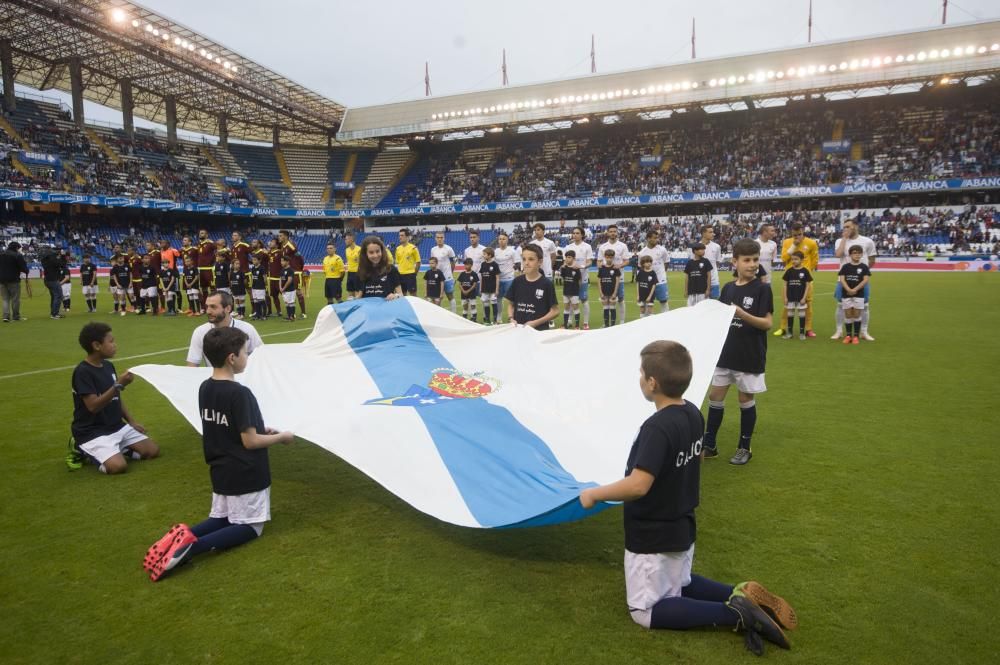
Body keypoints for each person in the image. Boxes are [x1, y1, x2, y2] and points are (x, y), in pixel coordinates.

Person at [578, 341, 795, 653]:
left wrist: (594, 495)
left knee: (645, 611)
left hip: (652, 535)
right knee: (680, 580)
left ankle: (734, 612)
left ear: (652, 383)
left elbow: (639, 485)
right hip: (682, 525)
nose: (640, 378)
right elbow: (688, 462)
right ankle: (738, 592)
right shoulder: (693, 413)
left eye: (642, 373)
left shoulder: (657, 428)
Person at [143, 326, 294, 582]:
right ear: (232, 358)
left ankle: (181, 537)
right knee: (250, 527)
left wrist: (260, 428)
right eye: (245, 352)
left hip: (220, 467)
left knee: (223, 516)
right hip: (246, 470)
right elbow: (251, 442)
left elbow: (228, 425)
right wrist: (281, 438)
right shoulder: (240, 393)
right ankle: (192, 547)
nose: (248, 357)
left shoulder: (205, 387)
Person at [702, 239, 773, 466]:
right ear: (735, 262)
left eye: (755, 259)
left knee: (745, 398)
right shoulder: (728, 289)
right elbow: (720, 321)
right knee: (715, 396)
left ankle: (744, 446)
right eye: (747, 260)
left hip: (749, 354)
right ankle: (710, 445)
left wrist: (741, 314)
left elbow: (767, 324)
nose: (752, 264)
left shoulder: (762, 288)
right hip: (726, 354)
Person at [70, 322, 160, 474]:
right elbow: (93, 406)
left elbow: (116, 398)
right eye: (111, 341)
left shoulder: (108, 366)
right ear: (97, 345)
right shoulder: (82, 372)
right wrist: (118, 385)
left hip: (116, 426)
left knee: (152, 451)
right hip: (92, 431)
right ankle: (81, 448)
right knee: (118, 467)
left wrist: (131, 421)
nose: (115, 345)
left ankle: (119, 448)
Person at [186, 290, 264, 367]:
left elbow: (262, 358)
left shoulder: (247, 329)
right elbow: (192, 366)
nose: (208, 311)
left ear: (228, 309)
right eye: (207, 306)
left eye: (213, 307)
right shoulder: (200, 332)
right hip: (215, 378)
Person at [833, 219, 877, 341]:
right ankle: (839, 331)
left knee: (864, 306)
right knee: (841, 305)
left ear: (855, 227)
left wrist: (862, 272)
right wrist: (844, 238)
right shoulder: (839, 241)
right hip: (843, 280)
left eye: (848, 226)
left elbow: (872, 259)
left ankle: (863, 332)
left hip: (861, 280)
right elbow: (838, 254)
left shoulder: (867, 241)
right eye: (844, 227)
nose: (845, 229)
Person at [774, 223, 819, 338]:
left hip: (805, 278)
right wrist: (793, 245)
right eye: (795, 235)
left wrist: (808, 271)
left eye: (799, 234)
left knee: (808, 303)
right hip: (790, 277)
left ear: (803, 231)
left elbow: (815, 259)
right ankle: (783, 328)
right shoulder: (787, 242)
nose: (797, 237)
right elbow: (784, 258)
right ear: (791, 233)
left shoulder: (811, 243)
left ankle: (808, 329)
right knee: (787, 303)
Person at [505, 243, 558, 330]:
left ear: (540, 262)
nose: (526, 263)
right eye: (524, 259)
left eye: (531, 259)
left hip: (539, 331)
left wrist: (535, 323)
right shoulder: (517, 281)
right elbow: (511, 305)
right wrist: (511, 318)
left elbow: (555, 311)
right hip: (519, 330)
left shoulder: (546, 284)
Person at [597, 223, 632, 322]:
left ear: (617, 233)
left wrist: (619, 266)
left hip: (618, 278)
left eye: (614, 231)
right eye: (611, 231)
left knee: (620, 299)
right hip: (606, 279)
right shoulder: (602, 246)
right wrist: (601, 265)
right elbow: (598, 261)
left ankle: (622, 322)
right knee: (605, 300)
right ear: (607, 233)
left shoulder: (623, 246)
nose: (613, 233)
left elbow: (627, 260)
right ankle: (607, 322)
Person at [838, 245, 871, 346]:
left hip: (859, 294)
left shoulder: (864, 267)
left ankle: (856, 336)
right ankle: (848, 336)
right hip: (846, 293)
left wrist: (855, 289)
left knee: (857, 314)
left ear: (862, 254)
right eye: (854, 253)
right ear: (850, 254)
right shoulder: (845, 267)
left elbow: (866, 280)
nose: (857, 255)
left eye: (859, 253)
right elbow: (842, 279)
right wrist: (848, 289)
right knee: (848, 314)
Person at [566, 227, 595, 329]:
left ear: (582, 235)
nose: (575, 235)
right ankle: (569, 321)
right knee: (570, 300)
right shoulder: (569, 247)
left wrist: (581, 267)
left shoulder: (587, 247)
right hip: (571, 280)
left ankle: (586, 322)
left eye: (577, 233)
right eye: (573, 233)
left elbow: (590, 262)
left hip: (583, 278)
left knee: (584, 300)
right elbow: (566, 262)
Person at [358, 235, 402, 299]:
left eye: (377, 251)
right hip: (369, 309)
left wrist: (395, 296)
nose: (375, 255)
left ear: (382, 251)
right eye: (371, 252)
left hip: (386, 308)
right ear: (365, 253)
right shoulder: (362, 270)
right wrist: (353, 299)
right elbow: (359, 295)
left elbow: (401, 294)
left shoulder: (391, 269)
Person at [781, 252, 813, 340]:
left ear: (802, 260)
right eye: (792, 259)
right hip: (790, 297)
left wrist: (804, 298)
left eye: (796, 259)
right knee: (790, 314)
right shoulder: (789, 271)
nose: (793, 261)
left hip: (801, 298)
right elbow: (785, 285)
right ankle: (789, 333)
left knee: (802, 314)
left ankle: (802, 333)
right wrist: (785, 297)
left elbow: (807, 286)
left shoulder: (805, 271)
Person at [637, 229, 670, 313]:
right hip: (647, 283)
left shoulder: (662, 249)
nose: (657, 240)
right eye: (654, 238)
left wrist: (663, 273)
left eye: (657, 238)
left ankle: (666, 320)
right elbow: (641, 267)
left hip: (661, 281)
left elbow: (667, 262)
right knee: (646, 303)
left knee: (663, 301)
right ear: (648, 238)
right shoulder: (642, 253)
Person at [0, 241, 32, 322]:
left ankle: (6, 317)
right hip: (13, 280)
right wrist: (26, 271)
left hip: (2, 280)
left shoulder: (1, 254)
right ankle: (16, 316)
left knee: (5, 299)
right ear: (16, 248)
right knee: (15, 299)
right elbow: (24, 268)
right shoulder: (17, 255)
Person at [278, 230, 307, 318]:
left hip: (295, 272)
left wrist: (299, 269)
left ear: (286, 237)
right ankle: (291, 313)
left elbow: (299, 256)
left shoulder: (290, 245)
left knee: (298, 293)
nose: (279, 237)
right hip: (287, 272)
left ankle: (303, 313)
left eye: (281, 236)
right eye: (279, 236)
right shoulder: (282, 246)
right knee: (289, 293)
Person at [429, 231, 457, 313]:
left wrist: (450, 273)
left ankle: (454, 314)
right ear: (435, 238)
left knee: (450, 296)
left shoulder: (449, 249)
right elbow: (433, 263)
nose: (439, 239)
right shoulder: (433, 250)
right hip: (437, 278)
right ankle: (439, 316)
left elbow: (453, 262)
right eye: (438, 237)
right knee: (437, 298)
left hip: (447, 276)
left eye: (441, 237)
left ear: (444, 238)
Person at [494, 232, 518, 322]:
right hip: (498, 280)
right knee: (498, 299)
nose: (501, 241)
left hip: (509, 279)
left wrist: (516, 275)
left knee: (511, 299)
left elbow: (517, 264)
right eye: (500, 239)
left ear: (507, 240)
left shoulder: (512, 251)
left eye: (503, 239)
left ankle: (511, 317)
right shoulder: (495, 251)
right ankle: (499, 316)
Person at [598, 249, 622, 327]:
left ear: (613, 257)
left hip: (612, 292)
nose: (609, 259)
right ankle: (606, 324)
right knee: (605, 308)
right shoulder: (601, 268)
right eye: (607, 257)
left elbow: (617, 281)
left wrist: (615, 293)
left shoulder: (615, 268)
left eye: (611, 257)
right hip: (604, 292)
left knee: (612, 308)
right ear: (605, 257)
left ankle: (613, 325)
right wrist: (601, 293)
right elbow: (599, 281)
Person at [683, 243, 712, 307]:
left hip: (702, 291)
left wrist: (708, 289)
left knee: (703, 310)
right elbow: (687, 277)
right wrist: (686, 290)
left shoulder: (706, 261)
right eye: (701, 249)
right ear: (695, 251)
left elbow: (709, 276)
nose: (703, 251)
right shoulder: (689, 263)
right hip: (691, 291)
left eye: (704, 249)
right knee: (690, 310)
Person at [395, 229, 421, 297]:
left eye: (402, 235)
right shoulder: (398, 249)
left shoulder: (413, 248)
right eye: (399, 235)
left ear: (407, 237)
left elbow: (418, 262)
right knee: (402, 295)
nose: (400, 237)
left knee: (413, 295)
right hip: (400, 275)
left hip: (410, 274)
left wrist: (414, 273)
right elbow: (398, 263)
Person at [560, 249, 582, 329]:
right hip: (566, 291)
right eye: (566, 257)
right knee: (566, 307)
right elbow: (563, 278)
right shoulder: (564, 268)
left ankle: (577, 326)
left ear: (573, 258)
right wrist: (562, 267)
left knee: (576, 307)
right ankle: (565, 325)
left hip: (574, 292)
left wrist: (577, 290)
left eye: (569, 257)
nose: (567, 259)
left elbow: (580, 280)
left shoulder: (576, 268)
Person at [698, 225, 722, 299]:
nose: (713, 234)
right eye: (710, 232)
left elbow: (717, 262)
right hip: (701, 282)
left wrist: (713, 272)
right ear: (703, 234)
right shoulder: (696, 247)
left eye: (713, 232)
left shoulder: (717, 247)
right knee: (702, 306)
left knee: (715, 305)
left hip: (714, 281)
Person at [479, 246, 500, 324]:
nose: (483, 255)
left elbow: (497, 278)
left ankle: (495, 320)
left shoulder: (495, 265)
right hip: (485, 288)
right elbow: (481, 277)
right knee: (486, 304)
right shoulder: (483, 264)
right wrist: (481, 289)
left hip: (493, 289)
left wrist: (497, 289)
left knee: (494, 303)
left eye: (484, 254)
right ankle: (487, 320)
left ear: (490, 255)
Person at [41, 248, 64, 319]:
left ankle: (53, 313)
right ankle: (54, 314)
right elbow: (61, 264)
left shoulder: (45, 260)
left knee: (54, 296)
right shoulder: (52, 259)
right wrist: (61, 256)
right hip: (53, 279)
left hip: (47, 279)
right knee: (59, 296)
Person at [197, 229, 217, 306]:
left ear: (206, 235)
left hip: (209, 269)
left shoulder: (210, 243)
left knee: (212, 288)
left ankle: (214, 304)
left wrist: (214, 261)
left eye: (202, 233)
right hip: (200, 269)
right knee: (203, 288)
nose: (200, 234)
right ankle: (205, 305)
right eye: (200, 233)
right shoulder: (198, 244)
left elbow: (218, 249)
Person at [249, 252, 268, 320]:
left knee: (261, 301)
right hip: (254, 287)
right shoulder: (253, 268)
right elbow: (253, 277)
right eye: (253, 260)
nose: (253, 261)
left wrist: (265, 285)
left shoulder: (262, 268)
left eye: (255, 260)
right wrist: (252, 286)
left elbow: (265, 278)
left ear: (259, 260)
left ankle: (264, 315)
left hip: (260, 287)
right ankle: (258, 314)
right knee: (256, 301)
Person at [343, 231, 362, 300]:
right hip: (350, 273)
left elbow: (362, 263)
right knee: (350, 296)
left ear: (352, 239)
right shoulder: (346, 250)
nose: (345, 240)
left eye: (346, 239)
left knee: (357, 295)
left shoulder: (359, 249)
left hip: (358, 274)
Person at [279, 256, 297, 321]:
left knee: (291, 302)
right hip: (284, 290)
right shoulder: (282, 270)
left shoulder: (290, 270)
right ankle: (289, 316)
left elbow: (289, 280)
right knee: (286, 303)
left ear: (287, 262)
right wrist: (280, 287)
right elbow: (280, 279)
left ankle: (292, 316)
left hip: (290, 290)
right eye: (281, 261)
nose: (281, 262)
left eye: (283, 261)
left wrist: (283, 288)